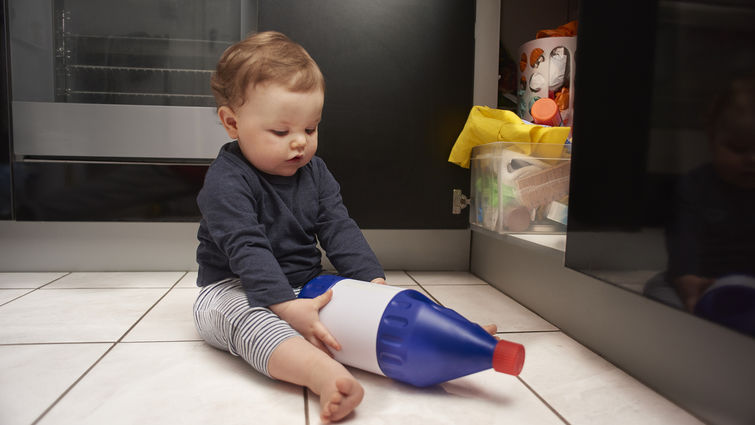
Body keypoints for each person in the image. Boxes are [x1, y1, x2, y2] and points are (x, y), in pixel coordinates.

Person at [192, 31, 385, 423]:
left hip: (305, 282)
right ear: (232, 122)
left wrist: (374, 288)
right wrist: (284, 306)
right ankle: (323, 375)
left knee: (359, 301)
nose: (299, 143)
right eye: (281, 132)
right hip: (233, 287)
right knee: (251, 320)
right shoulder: (226, 181)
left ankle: (437, 331)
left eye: (310, 129)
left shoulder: (315, 172)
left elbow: (338, 227)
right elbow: (246, 246)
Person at [645, 74, 755, 322]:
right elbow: (683, 238)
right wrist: (687, 279)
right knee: (657, 289)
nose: (751, 159)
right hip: (701, 279)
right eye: (738, 149)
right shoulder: (696, 184)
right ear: (712, 138)